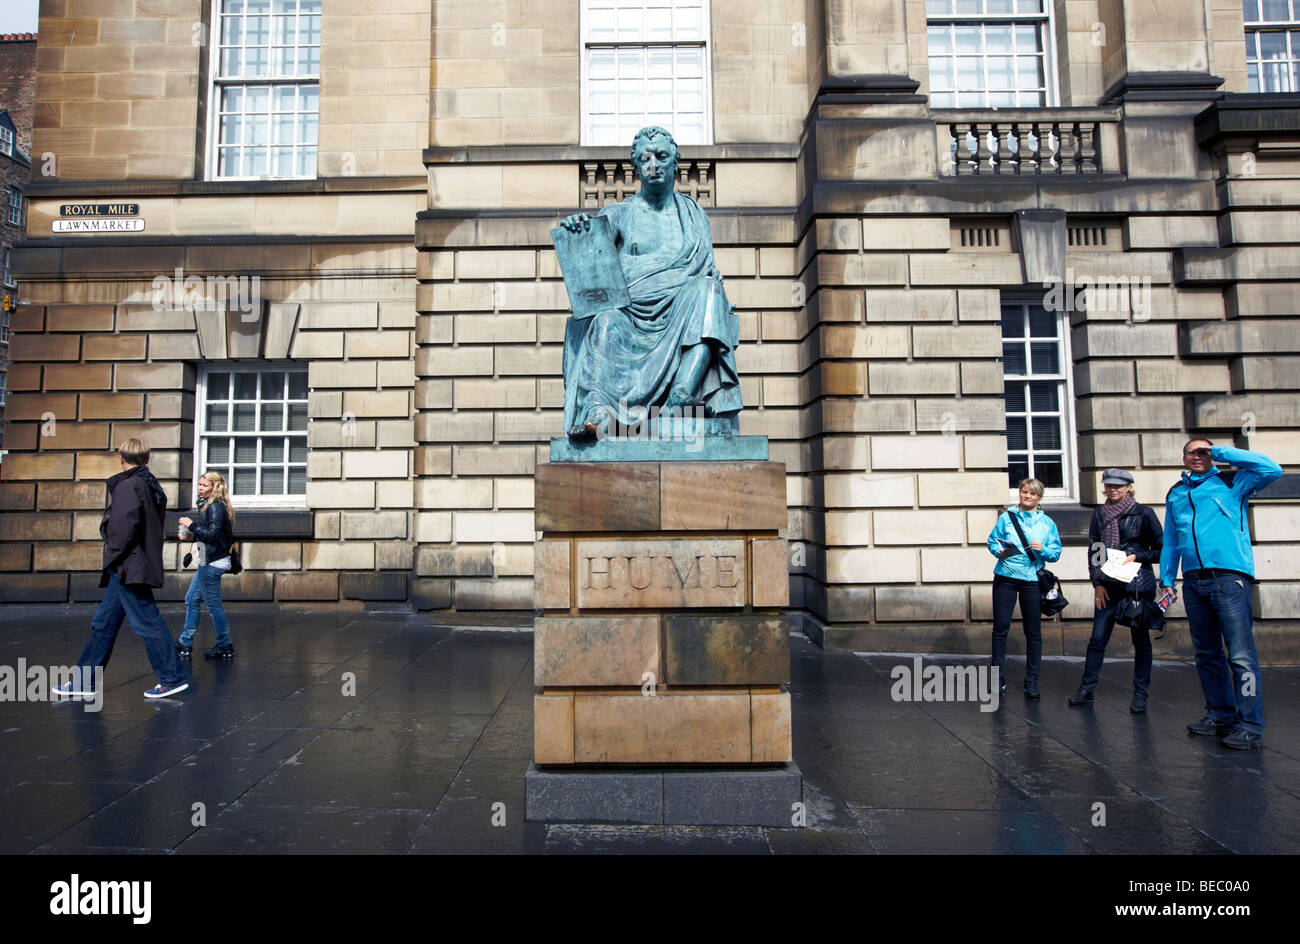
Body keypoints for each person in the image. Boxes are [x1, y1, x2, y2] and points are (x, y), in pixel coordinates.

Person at [558, 126, 742, 438]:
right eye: (645, 159)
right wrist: (579, 231)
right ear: (636, 166)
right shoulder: (619, 214)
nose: (653, 166)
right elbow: (591, 260)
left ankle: (680, 396)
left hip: (682, 313)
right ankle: (599, 413)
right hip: (630, 315)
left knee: (709, 291)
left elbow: (709, 272)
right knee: (605, 322)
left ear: (676, 162)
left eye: (661, 157)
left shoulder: (694, 215)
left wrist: (713, 282)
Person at [1161, 438, 1281, 749]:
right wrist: (1166, 580)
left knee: (1241, 655)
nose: (1197, 456)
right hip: (1194, 581)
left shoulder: (1233, 481)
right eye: (1192, 452)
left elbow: (1272, 468)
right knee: (1206, 654)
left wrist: (1221, 453)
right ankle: (1220, 713)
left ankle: (1251, 723)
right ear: (1183, 457)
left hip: (1229, 578)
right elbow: (1171, 542)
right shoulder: (1176, 492)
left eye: (1204, 451)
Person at [53, 438, 189, 700]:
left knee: (147, 622)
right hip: (132, 565)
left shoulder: (130, 486)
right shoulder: (148, 484)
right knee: (103, 624)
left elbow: (122, 531)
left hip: (128, 566)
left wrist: (111, 557)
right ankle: (84, 680)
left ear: (121, 458)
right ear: (146, 459)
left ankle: (172, 678)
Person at [1068, 469, 1163, 713]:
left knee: (1140, 640)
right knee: (1098, 638)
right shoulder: (1099, 514)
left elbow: (1162, 549)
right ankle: (1086, 690)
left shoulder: (1144, 513)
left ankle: (1141, 693)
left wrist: (1136, 555)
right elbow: (1095, 548)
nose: (1113, 489)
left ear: (1129, 487)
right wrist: (1096, 583)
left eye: (1119, 486)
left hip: (1136, 587)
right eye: (1109, 485)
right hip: (1108, 584)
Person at [986, 478, 1062, 700]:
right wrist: (999, 551)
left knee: (1033, 632)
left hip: (1032, 580)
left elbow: (1056, 553)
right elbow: (992, 541)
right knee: (1000, 628)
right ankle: (996, 679)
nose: (1027, 496)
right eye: (1024, 492)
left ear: (1039, 497)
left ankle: (1032, 682)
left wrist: (1043, 549)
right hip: (1005, 577)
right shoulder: (1006, 518)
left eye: (1032, 493)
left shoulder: (1047, 523)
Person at [176, 470, 236, 660]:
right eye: (199, 484)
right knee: (191, 599)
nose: (200, 488)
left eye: (204, 485)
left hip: (213, 563)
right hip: (206, 560)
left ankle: (224, 644)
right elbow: (207, 534)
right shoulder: (206, 506)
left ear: (214, 488)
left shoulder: (215, 507)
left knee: (213, 606)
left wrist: (191, 524)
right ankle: (185, 642)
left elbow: (213, 535)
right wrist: (190, 535)